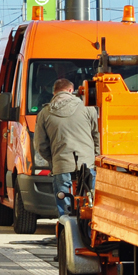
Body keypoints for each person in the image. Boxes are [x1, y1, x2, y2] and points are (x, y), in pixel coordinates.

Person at [35, 78, 99, 217]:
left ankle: (67, 225)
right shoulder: (88, 108)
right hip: (87, 162)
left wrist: (53, 159)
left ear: (54, 93)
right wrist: (96, 156)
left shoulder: (44, 113)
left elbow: (40, 144)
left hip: (61, 162)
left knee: (63, 196)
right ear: (71, 90)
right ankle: (89, 224)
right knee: (90, 197)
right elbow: (97, 135)